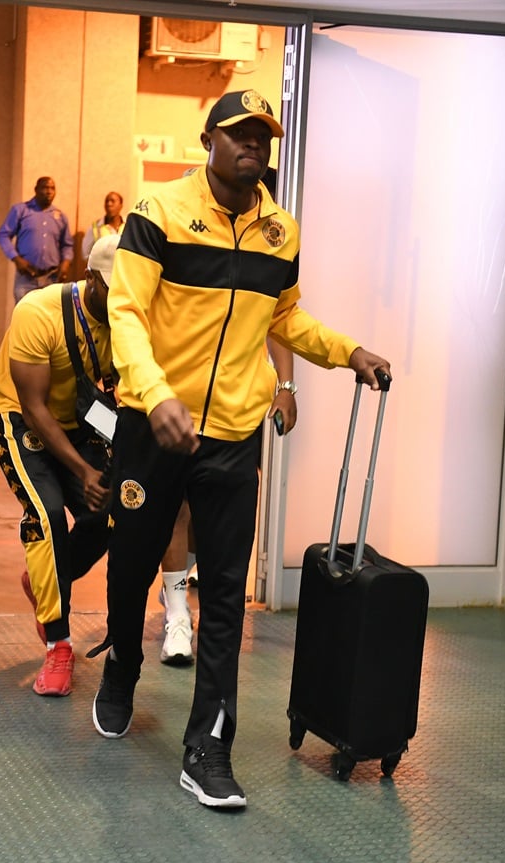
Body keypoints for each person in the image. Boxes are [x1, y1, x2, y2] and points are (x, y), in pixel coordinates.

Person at [91, 89, 390, 809]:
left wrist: (347, 352)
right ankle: (123, 664)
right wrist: (155, 394)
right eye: (240, 134)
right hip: (151, 427)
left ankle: (209, 749)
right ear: (209, 141)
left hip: (231, 434)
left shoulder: (281, 231)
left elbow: (283, 319)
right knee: (132, 565)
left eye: (263, 137)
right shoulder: (156, 213)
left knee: (224, 592)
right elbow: (126, 313)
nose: (254, 146)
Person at [0, 233, 120, 698]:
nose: (124, 299)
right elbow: (35, 406)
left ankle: (47, 582)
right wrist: (83, 471)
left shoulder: (129, 320)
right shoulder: (38, 312)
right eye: (114, 289)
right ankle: (58, 643)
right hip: (19, 416)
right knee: (46, 514)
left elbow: (116, 397)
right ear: (90, 279)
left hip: (78, 420)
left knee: (109, 513)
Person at [157, 336, 296, 667]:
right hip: (180, 388)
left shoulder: (265, 284)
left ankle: (179, 585)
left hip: (237, 405)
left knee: (208, 508)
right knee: (177, 506)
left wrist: (286, 385)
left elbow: (281, 316)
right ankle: (177, 613)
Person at [0, 176, 73, 303]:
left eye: (52, 188)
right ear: (36, 189)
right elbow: (3, 235)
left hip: (52, 278)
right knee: (24, 318)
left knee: (49, 319)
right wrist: (16, 259)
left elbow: (67, 244)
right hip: (27, 278)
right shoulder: (21, 210)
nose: (49, 191)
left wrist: (66, 263)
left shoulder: (60, 216)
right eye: (45, 187)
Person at [80, 191, 124, 260]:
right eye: (107, 201)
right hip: (103, 269)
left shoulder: (128, 226)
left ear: (121, 205)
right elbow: (86, 253)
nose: (109, 204)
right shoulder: (95, 227)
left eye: (112, 201)